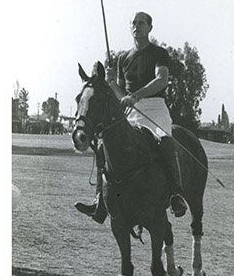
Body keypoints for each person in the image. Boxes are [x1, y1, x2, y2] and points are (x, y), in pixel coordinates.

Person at [74, 11, 189, 223]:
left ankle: (175, 195)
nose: (137, 26)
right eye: (134, 23)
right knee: (103, 146)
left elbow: (162, 80)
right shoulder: (123, 58)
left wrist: (135, 95)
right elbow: (120, 94)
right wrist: (111, 84)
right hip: (131, 110)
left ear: (150, 28)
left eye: (142, 23)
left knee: (164, 140)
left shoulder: (158, 53)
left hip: (155, 107)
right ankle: (100, 201)